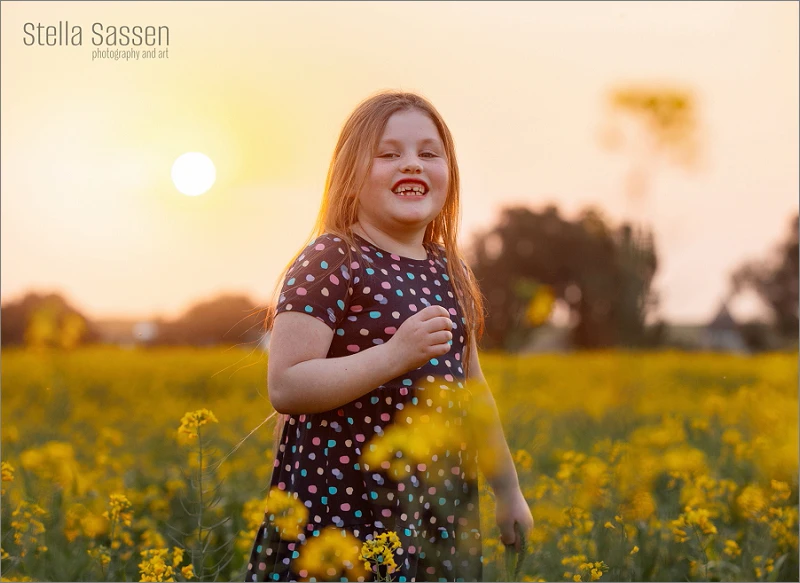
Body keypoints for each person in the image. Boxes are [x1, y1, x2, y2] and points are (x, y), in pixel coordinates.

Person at [245, 91, 533, 582]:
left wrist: (507, 491)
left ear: (450, 172)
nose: (411, 165)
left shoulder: (451, 271)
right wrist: (395, 355)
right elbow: (287, 384)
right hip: (340, 510)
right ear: (351, 173)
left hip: (434, 511)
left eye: (428, 153)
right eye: (389, 153)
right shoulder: (332, 259)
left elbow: (473, 391)